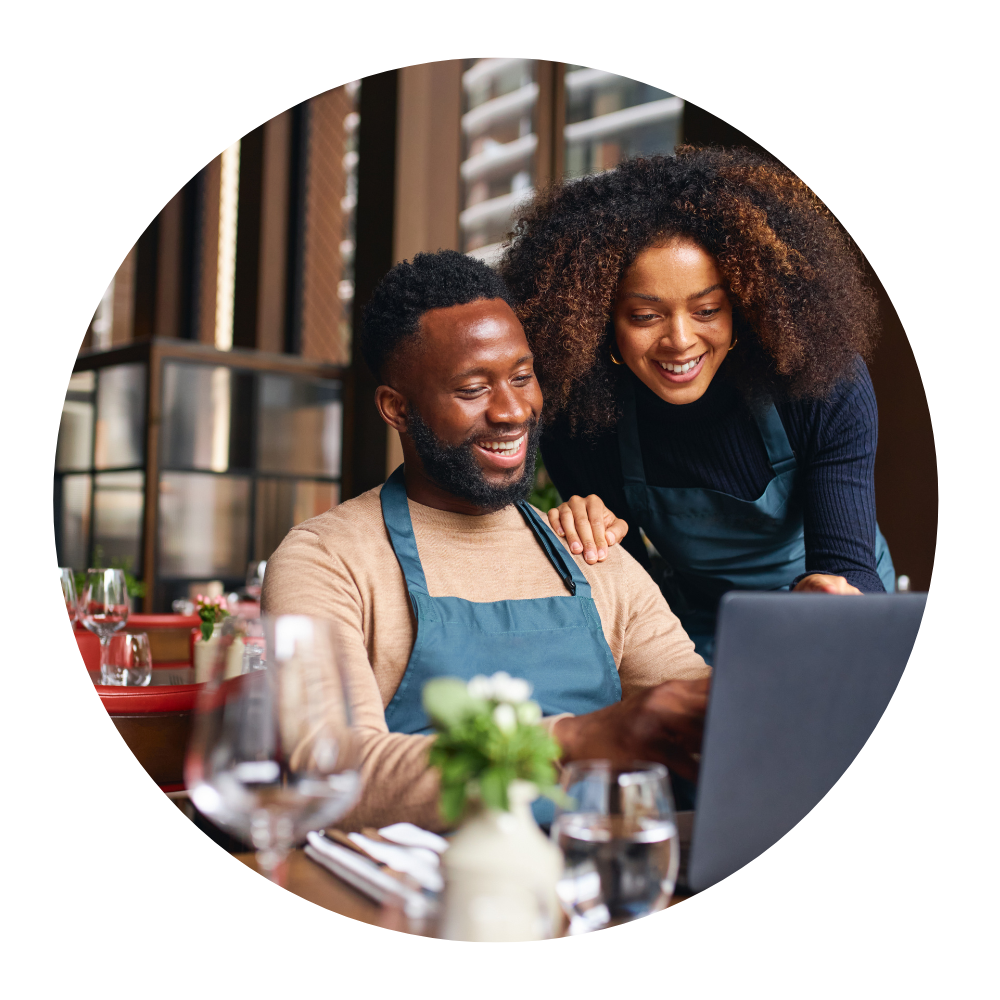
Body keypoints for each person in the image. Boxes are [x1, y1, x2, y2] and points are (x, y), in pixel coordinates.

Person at [261, 250, 710, 830]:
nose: (513, 410)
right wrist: (575, 739)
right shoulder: (326, 560)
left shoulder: (590, 549)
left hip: (602, 882)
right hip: (418, 904)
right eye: (474, 389)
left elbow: (696, 715)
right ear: (396, 409)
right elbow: (329, 767)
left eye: (522, 377)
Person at [499, 147, 895, 664]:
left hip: (832, 611)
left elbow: (850, 565)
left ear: (744, 304)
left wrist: (832, 598)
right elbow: (631, 596)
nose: (681, 341)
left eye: (707, 309)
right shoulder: (581, 418)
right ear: (599, 324)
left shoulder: (820, 384)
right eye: (645, 316)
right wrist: (586, 536)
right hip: (700, 626)